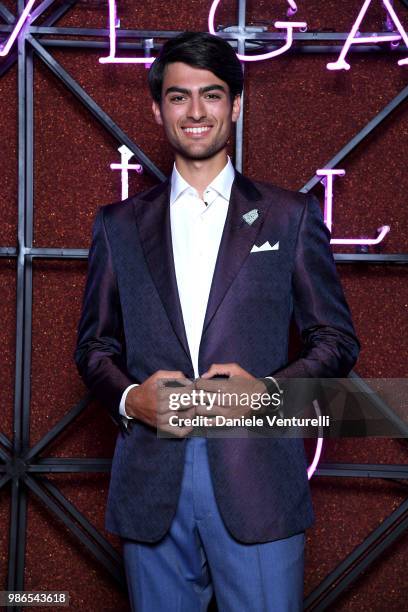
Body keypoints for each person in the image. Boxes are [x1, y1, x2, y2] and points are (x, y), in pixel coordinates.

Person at [74, 31, 360, 611]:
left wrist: (268, 394)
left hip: (256, 478)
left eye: (212, 95)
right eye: (179, 97)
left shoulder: (291, 215)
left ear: (235, 105)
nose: (196, 111)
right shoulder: (118, 225)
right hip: (153, 481)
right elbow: (94, 347)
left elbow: (335, 339)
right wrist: (130, 398)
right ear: (158, 109)